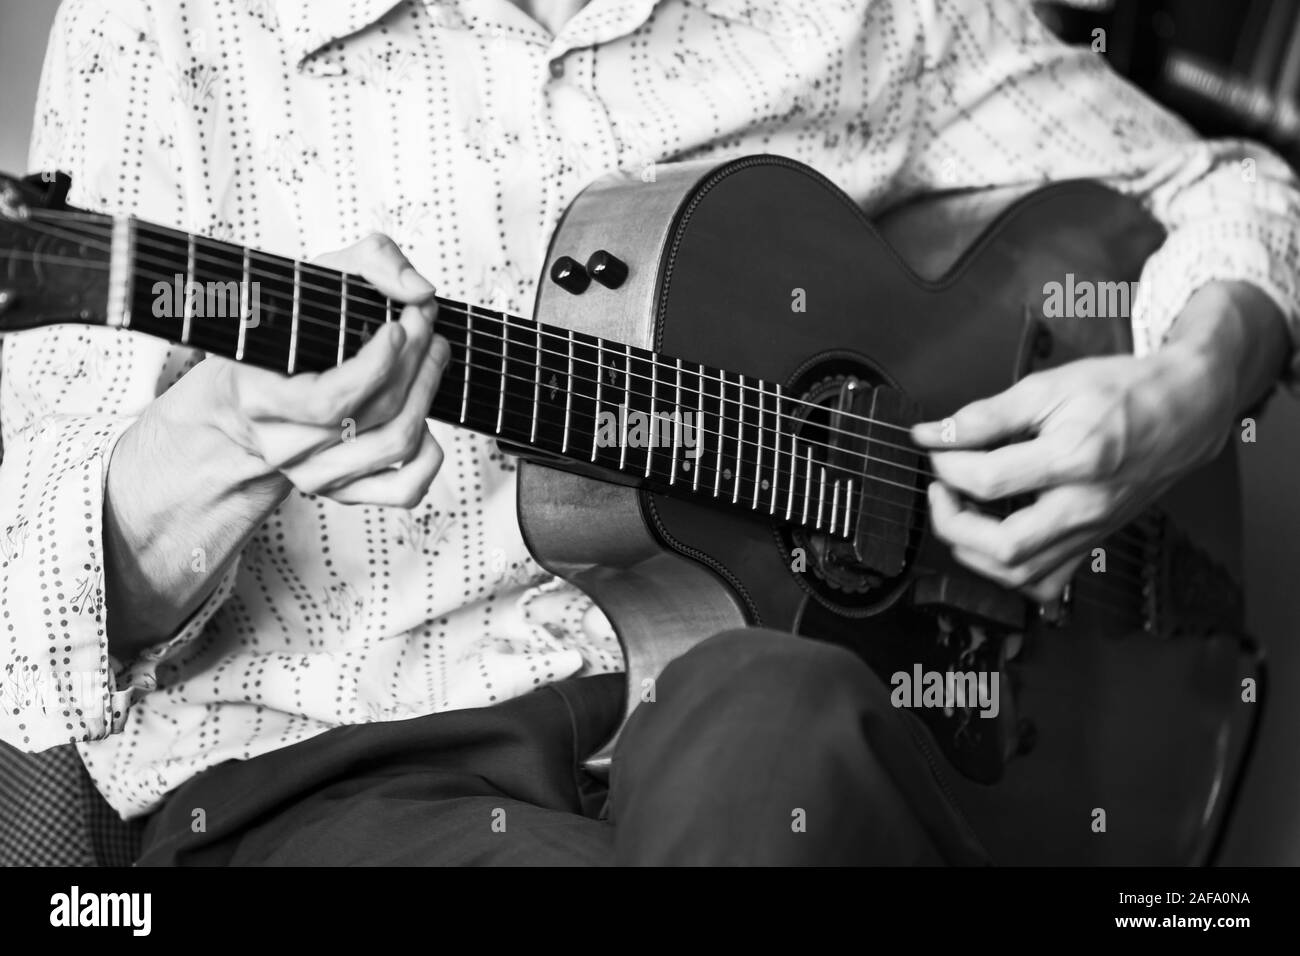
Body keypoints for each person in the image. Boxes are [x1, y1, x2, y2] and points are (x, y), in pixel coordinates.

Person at [0, 0, 1295, 864]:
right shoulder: (167, 25)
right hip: (348, 775)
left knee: (778, 718)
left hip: (799, 730)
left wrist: (1190, 384)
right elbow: (25, 610)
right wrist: (222, 443)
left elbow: (1227, 184)